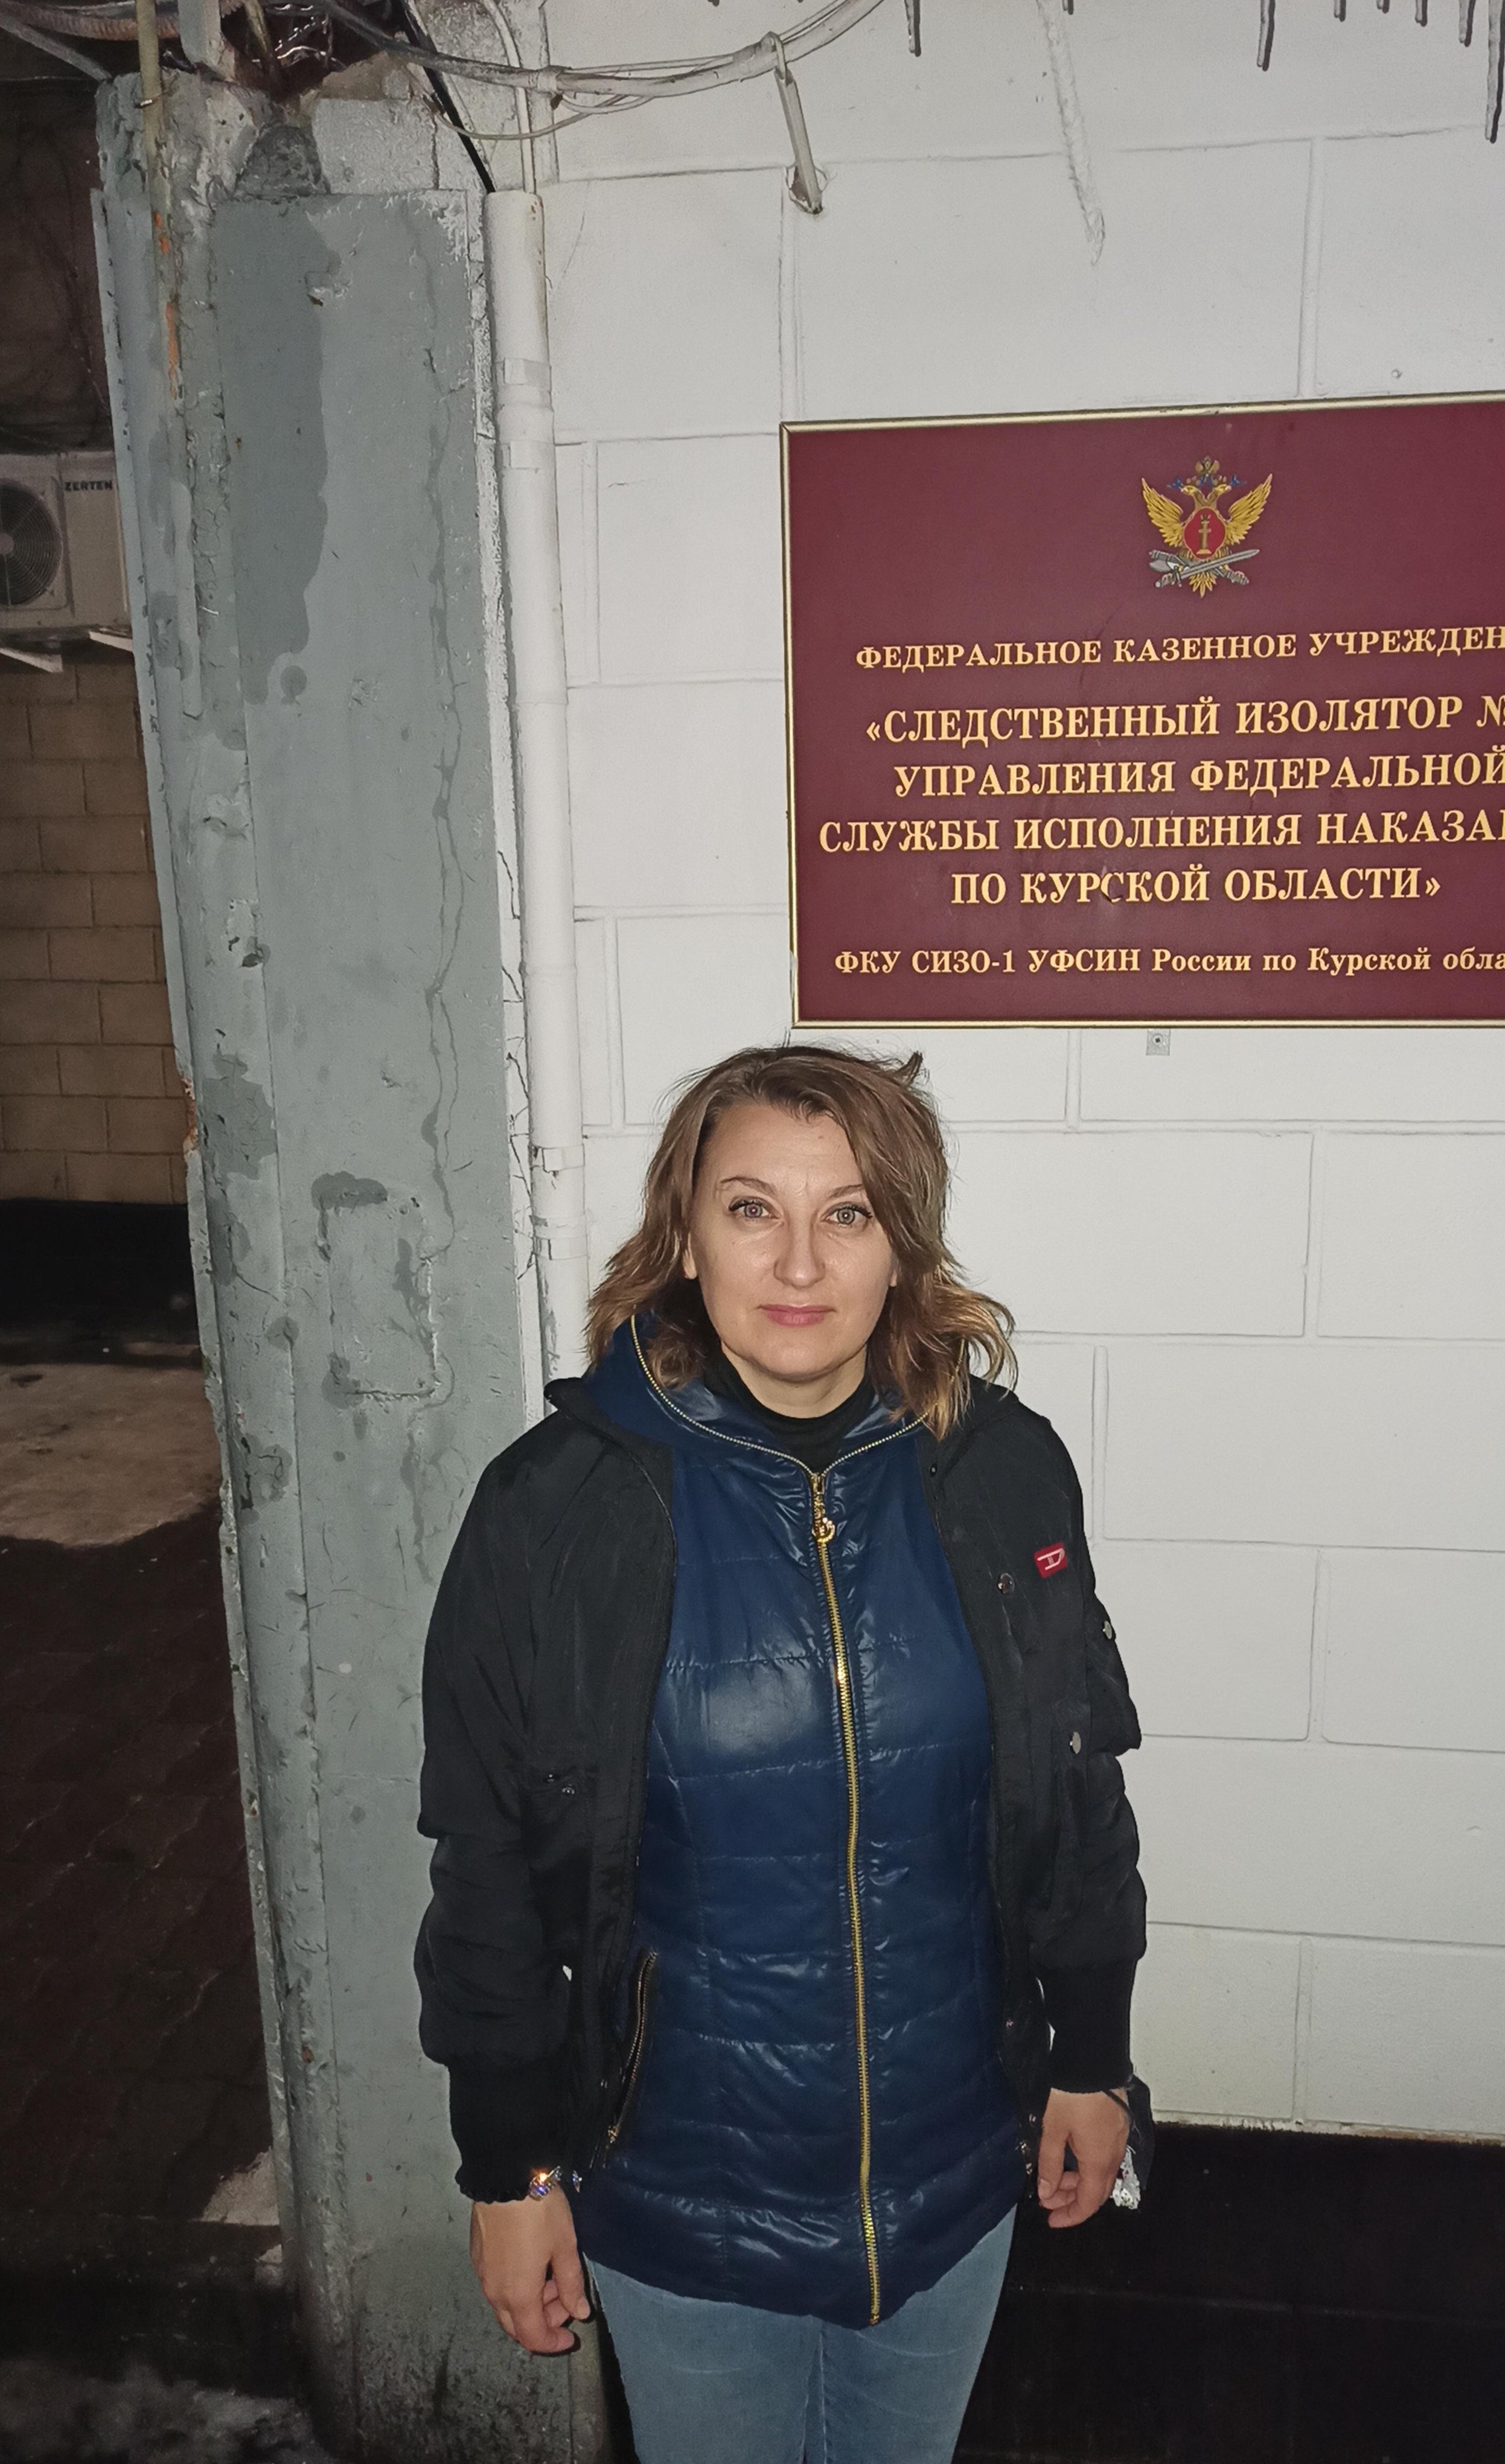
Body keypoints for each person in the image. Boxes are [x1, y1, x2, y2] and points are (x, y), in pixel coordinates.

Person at [415, 1044, 1146, 2464]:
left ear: (900, 1244)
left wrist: (1093, 2056)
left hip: (950, 2176)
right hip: (684, 2198)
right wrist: (508, 2165)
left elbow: (1073, 1789)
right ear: (685, 1234)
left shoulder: (1000, 1473)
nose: (798, 1261)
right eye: (751, 1207)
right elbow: (487, 1863)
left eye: (848, 1212)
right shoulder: (554, 1509)